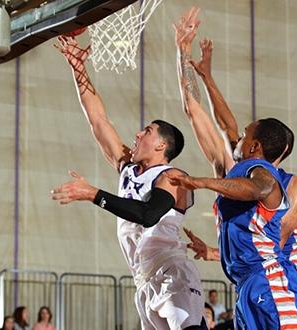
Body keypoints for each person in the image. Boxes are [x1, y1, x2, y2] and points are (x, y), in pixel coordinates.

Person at [173, 7, 297, 329]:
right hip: (248, 285)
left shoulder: (285, 183)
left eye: (244, 136)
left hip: (277, 283)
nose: (236, 136)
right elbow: (200, 114)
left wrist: (199, 182)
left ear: (256, 148)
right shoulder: (240, 167)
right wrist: (186, 59)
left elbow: (271, 222)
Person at [52, 34, 205, 330]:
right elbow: (98, 119)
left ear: (162, 146)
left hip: (171, 272)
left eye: (146, 132)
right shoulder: (127, 168)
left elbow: (148, 215)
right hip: (143, 278)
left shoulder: (173, 177)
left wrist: (95, 194)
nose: (137, 135)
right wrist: (78, 68)